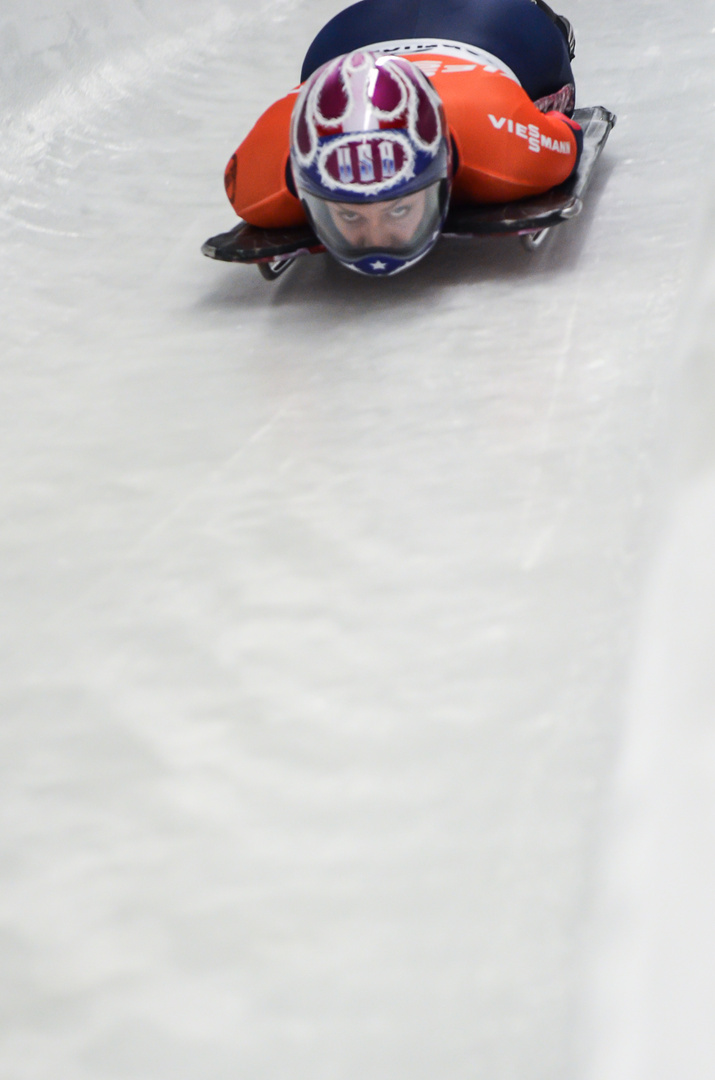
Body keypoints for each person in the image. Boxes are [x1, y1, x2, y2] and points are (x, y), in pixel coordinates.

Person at [224, 0, 582, 276]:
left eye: (398, 209)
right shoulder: (259, 180)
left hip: (498, 22)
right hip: (351, 34)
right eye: (349, 215)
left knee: (550, 69)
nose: (376, 238)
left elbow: (568, 136)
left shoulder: (501, 145)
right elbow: (573, 134)